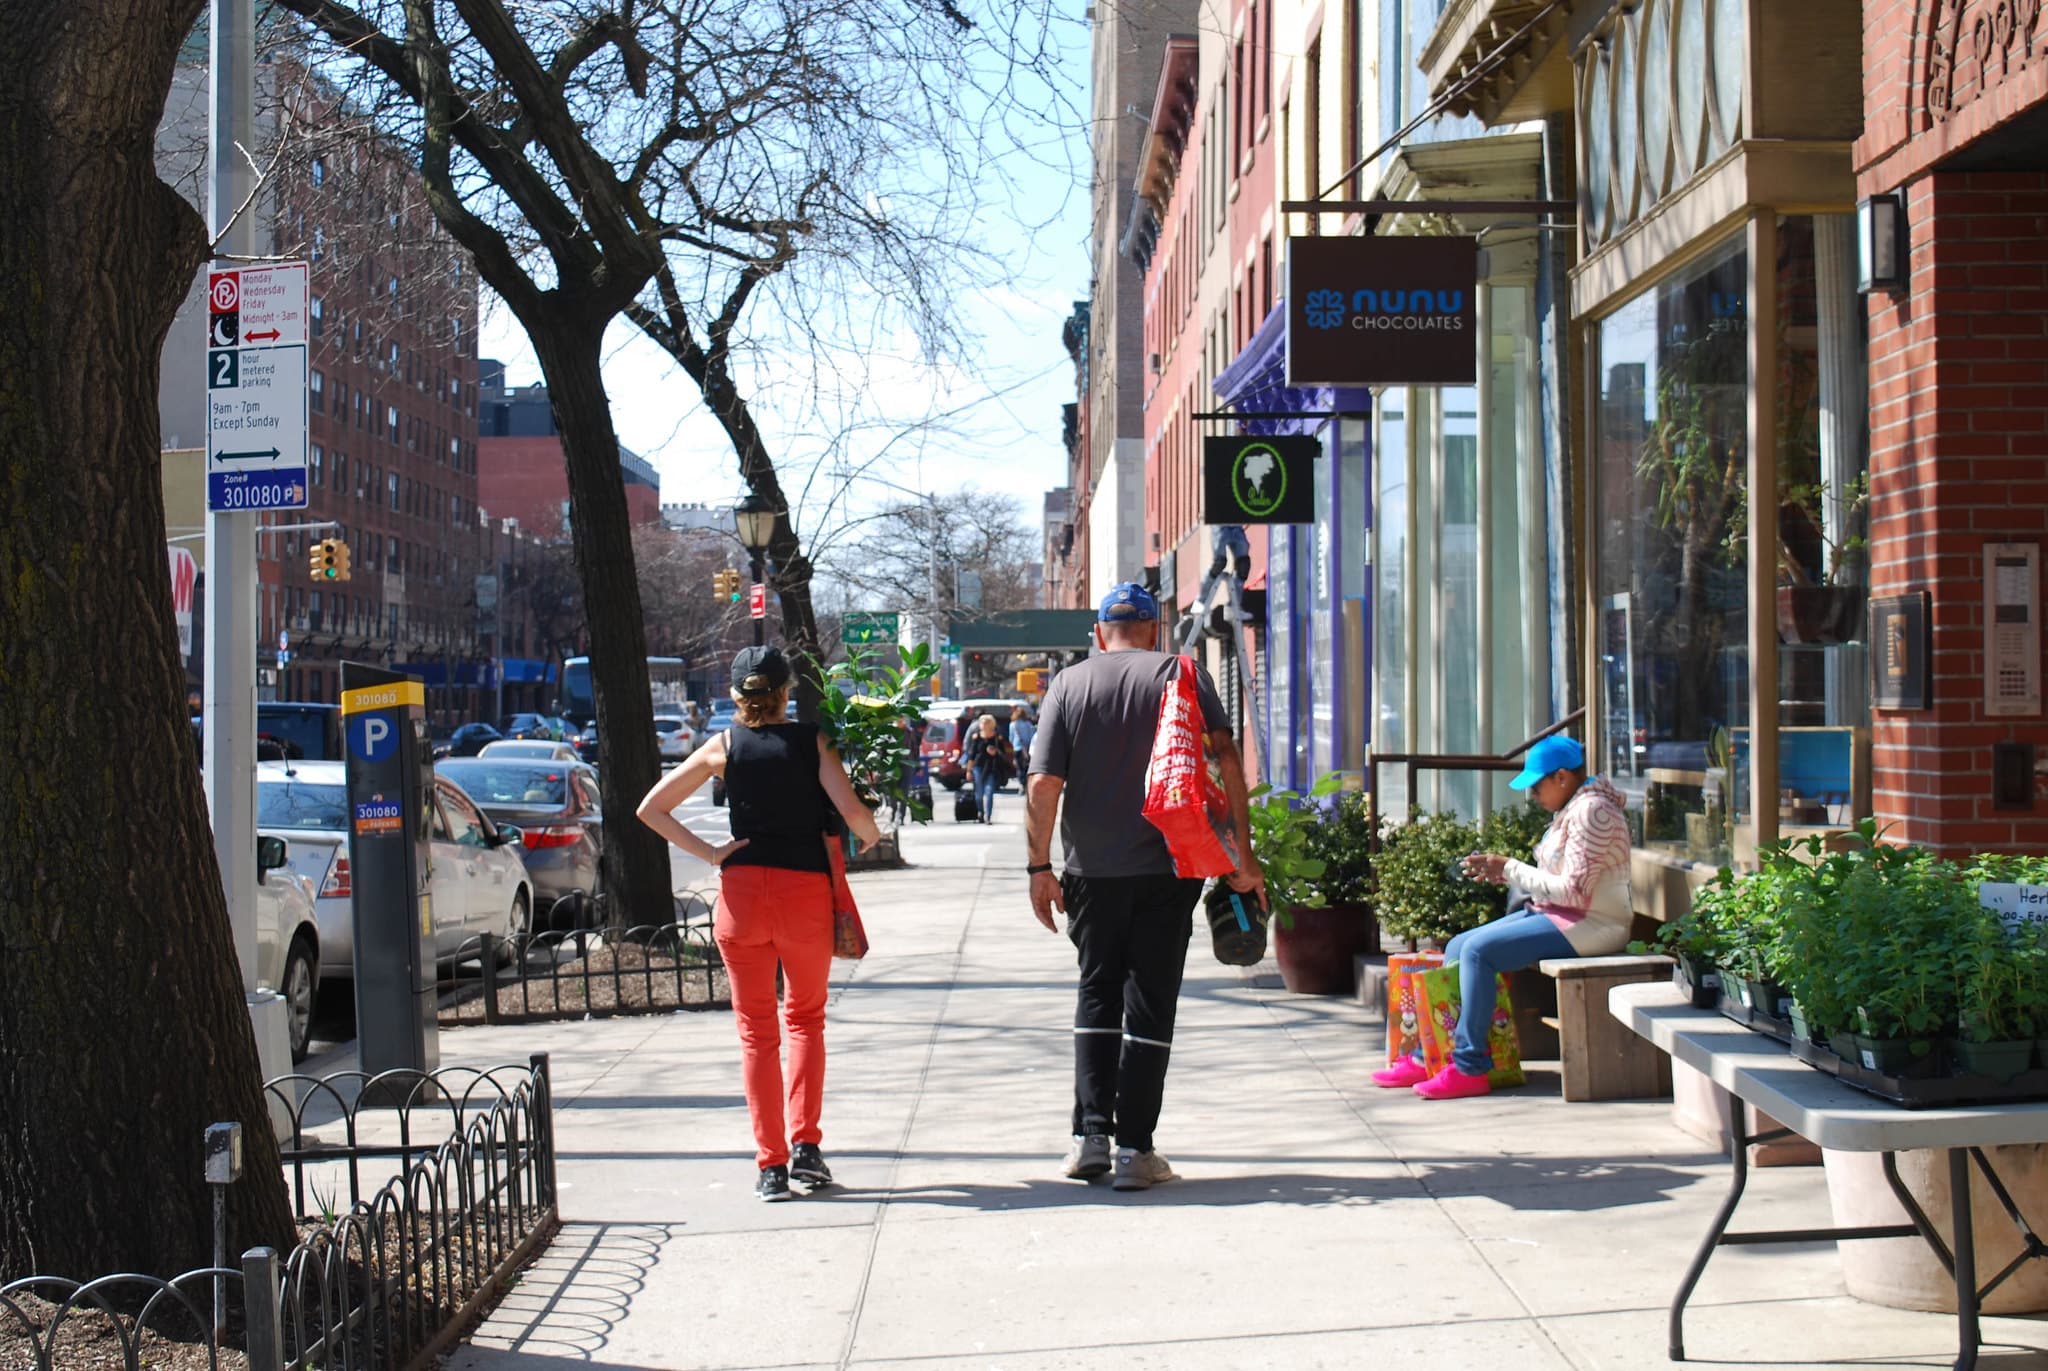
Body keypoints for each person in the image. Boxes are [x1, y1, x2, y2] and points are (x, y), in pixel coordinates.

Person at [1025, 582, 1266, 1190]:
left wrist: (1038, 868)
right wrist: (1243, 851)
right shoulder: (1180, 673)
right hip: (1168, 868)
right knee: (1150, 1002)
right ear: (1153, 630)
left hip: (1089, 872)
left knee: (1096, 992)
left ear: (1100, 633)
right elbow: (1227, 759)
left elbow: (1043, 785)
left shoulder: (1069, 685)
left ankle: (1089, 1138)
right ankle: (1135, 1149)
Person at [636, 645, 882, 1200]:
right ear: (785, 691)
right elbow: (855, 819)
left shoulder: (722, 747)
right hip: (804, 896)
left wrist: (711, 853)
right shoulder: (811, 742)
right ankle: (807, 1149)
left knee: (756, 1032)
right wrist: (870, 832)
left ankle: (770, 1166)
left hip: (742, 897)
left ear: (735, 696)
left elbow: (651, 808)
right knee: (805, 1021)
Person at [1371, 734, 1632, 1100]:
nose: (1533, 795)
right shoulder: (1577, 807)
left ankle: (1468, 1066)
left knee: (1479, 951)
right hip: (1564, 915)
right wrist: (1506, 872)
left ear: (1561, 777)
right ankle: (1432, 1054)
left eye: (1537, 785)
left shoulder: (1593, 813)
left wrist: (1509, 868)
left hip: (1593, 924)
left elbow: (1574, 891)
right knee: (1462, 945)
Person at [965, 713, 1011, 824]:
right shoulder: (976, 737)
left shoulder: (997, 737)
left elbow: (1003, 754)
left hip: (991, 767)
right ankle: (980, 812)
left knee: (989, 792)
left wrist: (995, 752)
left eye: (986, 723)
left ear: (991, 724)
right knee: (979, 794)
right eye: (982, 723)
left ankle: (988, 817)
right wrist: (968, 770)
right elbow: (971, 755)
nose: (983, 725)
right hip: (978, 767)